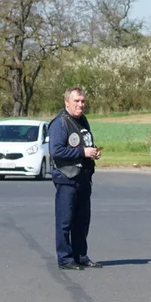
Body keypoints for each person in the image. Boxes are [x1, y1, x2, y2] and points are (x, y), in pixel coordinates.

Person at [48, 87, 102, 270]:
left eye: (83, 101)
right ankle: (65, 258)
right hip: (67, 178)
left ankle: (81, 255)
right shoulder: (60, 123)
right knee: (65, 221)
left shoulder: (83, 121)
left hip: (84, 177)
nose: (80, 104)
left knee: (82, 221)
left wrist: (92, 152)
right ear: (66, 102)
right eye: (76, 101)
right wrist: (82, 152)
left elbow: (84, 143)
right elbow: (56, 151)